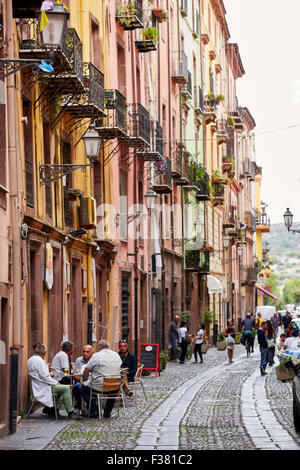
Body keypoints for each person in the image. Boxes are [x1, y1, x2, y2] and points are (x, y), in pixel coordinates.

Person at [27, 343, 79, 420]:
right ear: (44, 353)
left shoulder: (30, 359)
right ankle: (70, 412)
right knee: (67, 389)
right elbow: (46, 376)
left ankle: (53, 411)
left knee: (64, 390)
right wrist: (56, 382)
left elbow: (42, 375)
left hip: (39, 384)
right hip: (44, 386)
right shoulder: (40, 361)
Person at [80, 339, 122, 418]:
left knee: (83, 388)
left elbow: (86, 370)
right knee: (112, 387)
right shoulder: (116, 355)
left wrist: (85, 382)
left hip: (100, 387)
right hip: (115, 385)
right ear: (108, 347)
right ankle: (107, 411)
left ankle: (94, 410)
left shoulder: (97, 356)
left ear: (99, 347)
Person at [73, 345, 93, 411]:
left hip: (92, 382)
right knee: (77, 386)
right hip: (80, 381)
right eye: (84, 351)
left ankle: (91, 405)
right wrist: (83, 380)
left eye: (87, 352)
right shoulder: (79, 360)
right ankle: (78, 406)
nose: (85, 353)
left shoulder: (94, 360)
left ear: (91, 353)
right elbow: (74, 375)